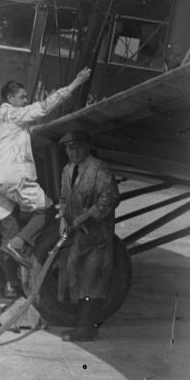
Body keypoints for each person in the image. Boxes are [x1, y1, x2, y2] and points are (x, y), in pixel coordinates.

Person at [0, 67, 92, 267]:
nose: (25, 101)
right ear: (10, 98)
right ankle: (18, 244)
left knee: (9, 230)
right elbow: (44, 107)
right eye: (22, 97)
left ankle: (10, 279)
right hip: (13, 177)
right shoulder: (14, 114)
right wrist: (76, 83)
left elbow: (16, 134)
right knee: (46, 210)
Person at [56, 129, 120, 342]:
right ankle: (83, 321)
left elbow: (110, 198)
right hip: (76, 236)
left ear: (87, 147)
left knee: (93, 279)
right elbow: (64, 199)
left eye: (78, 147)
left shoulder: (99, 168)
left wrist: (85, 217)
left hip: (97, 236)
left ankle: (87, 328)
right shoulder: (67, 170)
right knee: (76, 276)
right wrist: (63, 218)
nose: (74, 152)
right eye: (70, 148)